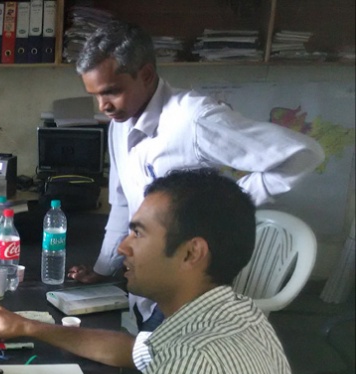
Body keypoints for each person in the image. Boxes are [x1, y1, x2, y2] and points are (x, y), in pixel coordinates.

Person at [0, 168, 300, 374]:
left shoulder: (189, 363)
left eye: (139, 233)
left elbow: (179, 364)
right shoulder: (239, 315)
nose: (122, 247)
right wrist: (27, 327)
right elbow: (132, 350)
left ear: (192, 252)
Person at [66, 20, 324, 332]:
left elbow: (303, 154)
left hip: (185, 292)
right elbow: (123, 202)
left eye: (111, 92)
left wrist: (228, 201)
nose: (103, 106)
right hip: (149, 286)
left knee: (170, 366)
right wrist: (105, 268)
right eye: (95, 95)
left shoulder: (194, 120)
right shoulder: (120, 124)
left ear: (146, 75)